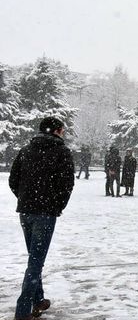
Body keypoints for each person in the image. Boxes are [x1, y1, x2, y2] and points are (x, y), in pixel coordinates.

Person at [9, 117, 75, 320]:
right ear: (56, 131)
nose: (63, 133)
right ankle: (23, 310)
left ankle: (37, 300)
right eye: (62, 130)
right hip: (45, 213)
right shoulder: (62, 152)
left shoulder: (26, 150)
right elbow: (67, 184)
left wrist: (25, 199)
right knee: (36, 261)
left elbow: (13, 180)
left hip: (26, 211)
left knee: (34, 257)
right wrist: (56, 206)